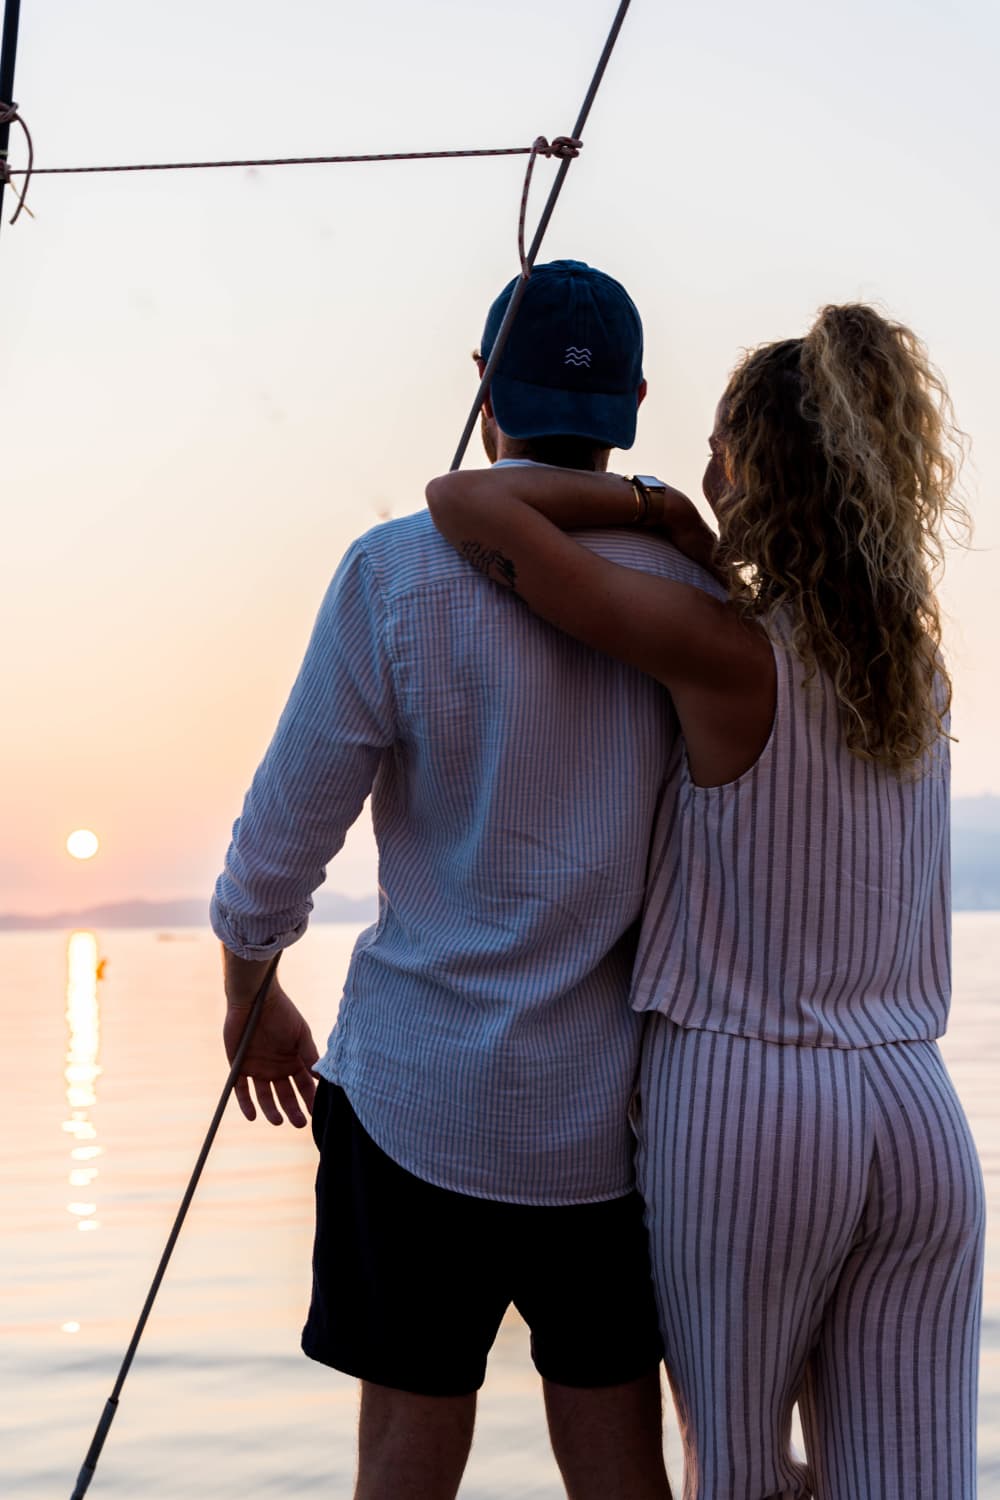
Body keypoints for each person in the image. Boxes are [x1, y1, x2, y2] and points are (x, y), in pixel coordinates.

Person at [426, 302, 985, 1500]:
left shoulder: (723, 645)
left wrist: (649, 510)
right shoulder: (911, 664)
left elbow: (463, 505)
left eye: (723, 447)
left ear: (762, 470)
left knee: (735, 1471)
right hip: (920, 1113)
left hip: (753, 1104)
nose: (706, 467)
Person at [211, 260, 725, 1500]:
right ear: (637, 404)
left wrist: (249, 992)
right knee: (619, 1468)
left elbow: (283, 834)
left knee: (406, 1458)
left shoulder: (394, 573)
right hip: (607, 1117)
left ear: (484, 387)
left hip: (412, 1102)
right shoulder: (702, 598)